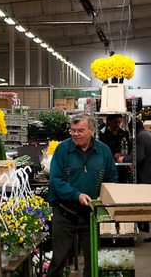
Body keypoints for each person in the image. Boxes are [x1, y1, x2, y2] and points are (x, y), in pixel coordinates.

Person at [47, 113, 118, 277]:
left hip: (91, 215)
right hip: (65, 214)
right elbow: (56, 181)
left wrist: (104, 195)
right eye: (73, 130)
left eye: (80, 130)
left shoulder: (103, 151)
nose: (75, 134)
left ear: (92, 131)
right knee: (59, 258)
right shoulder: (62, 150)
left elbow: (112, 178)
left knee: (92, 260)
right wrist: (76, 195)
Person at [99, 114, 131, 182]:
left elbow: (130, 147)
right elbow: (102, 151)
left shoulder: (124, 132)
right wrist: (113, 155)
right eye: (115, 122)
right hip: (109, 167)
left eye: (119, 122)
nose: (118, 124)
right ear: (109, 121)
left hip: (123, 167)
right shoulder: (103, 134)